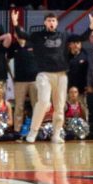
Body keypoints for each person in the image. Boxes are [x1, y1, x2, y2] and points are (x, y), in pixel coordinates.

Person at [24, 11, 69, 143]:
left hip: (61, 75)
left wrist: (91, 27)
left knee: (60, 107)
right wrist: (15, 24)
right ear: (44, 22)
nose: (51, 23)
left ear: (57, 23)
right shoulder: (38, 36)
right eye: (49, 20)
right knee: (43, 102)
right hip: (44, 74)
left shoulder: (63, 35)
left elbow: (82, 37)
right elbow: (23, 35)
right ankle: (33, 132)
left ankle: (56, 134)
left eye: (53, 20)